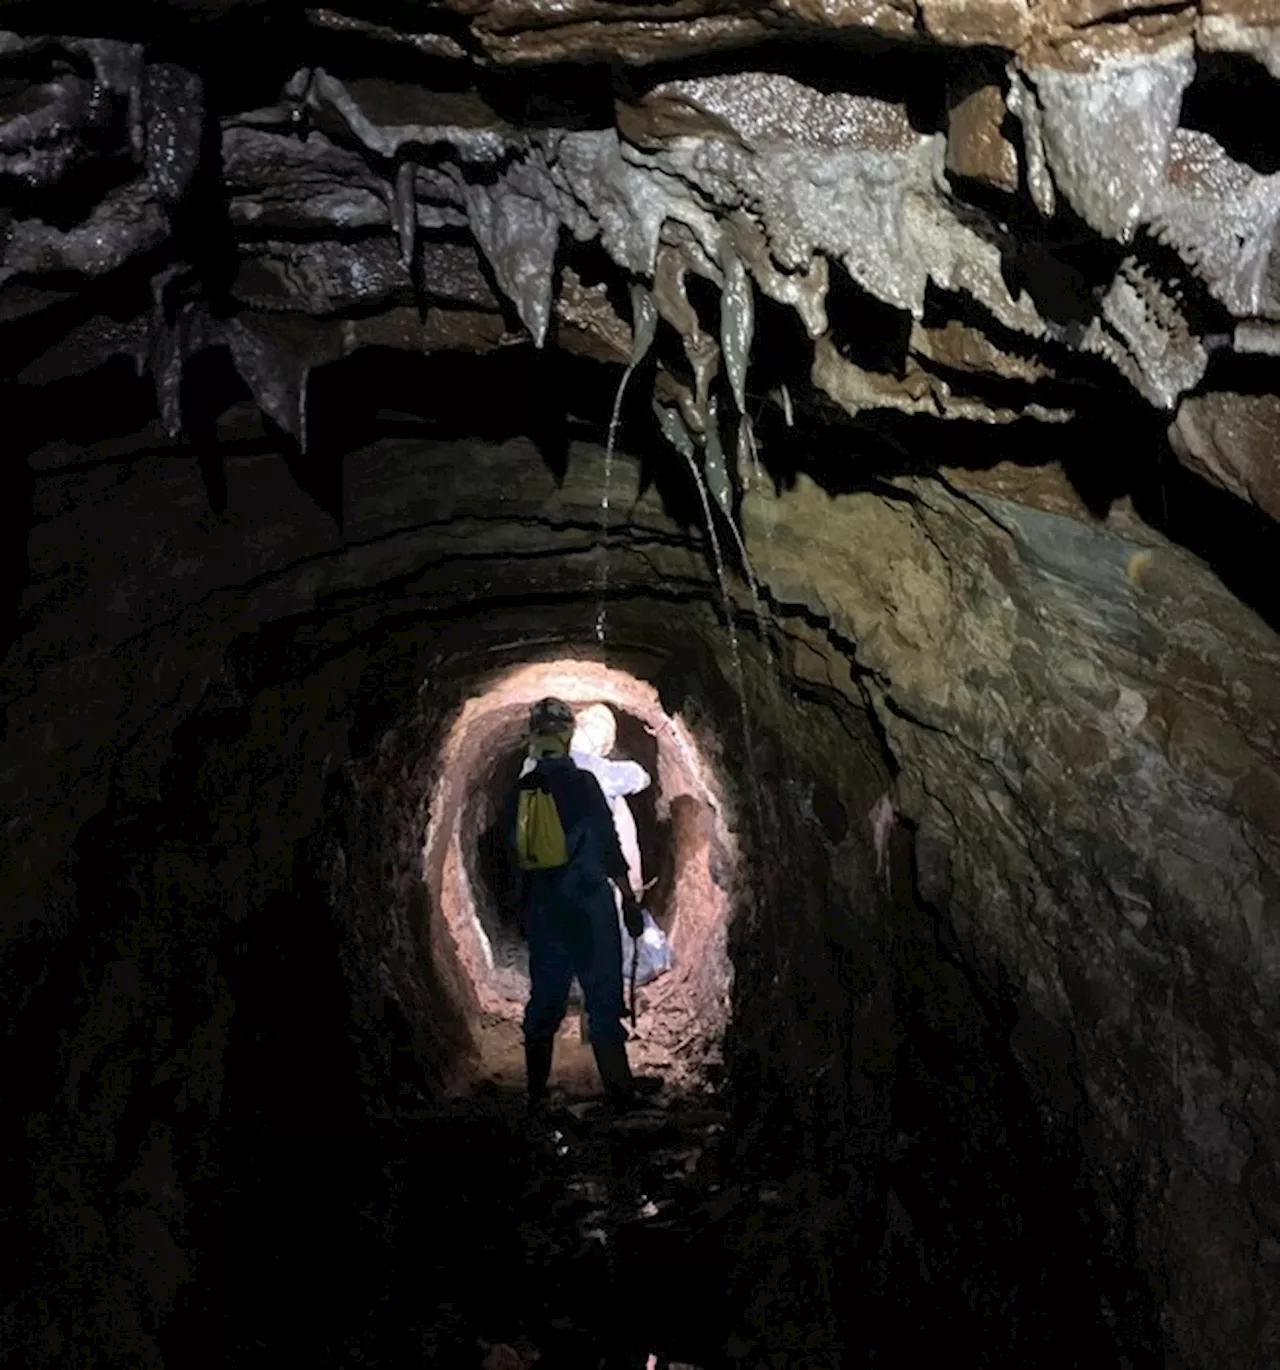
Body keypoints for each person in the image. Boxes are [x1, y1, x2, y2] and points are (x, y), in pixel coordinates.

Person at [505, 697, 648, 1114]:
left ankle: (535, 1093)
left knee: (545, 999)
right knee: (602, 999)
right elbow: (609, 847)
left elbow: (513, 855)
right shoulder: (584, 783)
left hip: (546, 910)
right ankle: (620, 1094)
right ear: (567, 735)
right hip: (589, 905)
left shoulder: (521, 790)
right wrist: (630, 903)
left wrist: (523, 910)